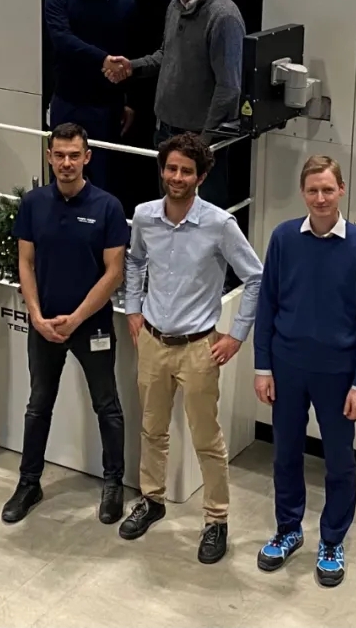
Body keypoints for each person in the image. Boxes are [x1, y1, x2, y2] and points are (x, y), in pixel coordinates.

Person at [121, 132, 263, 562]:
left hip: (199, 347)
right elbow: (134, 260)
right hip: (152, 341)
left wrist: (236, 335)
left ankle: (216, 520)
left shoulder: (220, 224)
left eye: (186, 171)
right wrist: (133, 309)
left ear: (200, 177)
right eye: (171, 168)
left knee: (206, 438)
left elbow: (256, 277)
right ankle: (152, 500)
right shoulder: (144, 216)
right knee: (152, 429)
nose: (177, 177)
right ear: (162, 170)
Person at [253, 155, 356, 588]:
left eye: (328, 189)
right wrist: (263, 367)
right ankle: (288, 530)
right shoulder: (284, 238)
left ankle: (332, 541)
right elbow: (267, 304)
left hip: (338, 375)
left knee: (339, 462)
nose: (321, 198)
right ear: (303, 193)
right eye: (313, 190)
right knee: (285, 454)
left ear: (341, 190)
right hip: (287, 368)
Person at [1, 122, 130, 525]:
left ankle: (114, 483)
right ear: (49, 157)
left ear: (87, 157)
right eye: (59, 155)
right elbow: (25, 262)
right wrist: (36, 315)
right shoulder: (34, 204)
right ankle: (29, 483)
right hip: (44, 326)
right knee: (38, 405)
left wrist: (76, 318)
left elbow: (114, 273)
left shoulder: (108, 207)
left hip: (91, 326)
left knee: (106, 405)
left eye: (74, 155)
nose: (66, 163)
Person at [104, 0, 245, 207]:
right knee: (169, 212)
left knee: (204, 219)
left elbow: (229, 88)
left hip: (200, 141)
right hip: (166, 133)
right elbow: (165, 55)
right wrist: (132, 67)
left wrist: (203, 143)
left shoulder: (223, 16)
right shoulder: (175, 5)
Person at [43, 0, 137, 189]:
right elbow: (63, 40)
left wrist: (129, 100)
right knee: (64, 176)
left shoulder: (126, 2)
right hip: (67, 103)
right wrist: (103, 60)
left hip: (108, 108)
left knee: (105, 180)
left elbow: (131, 51)